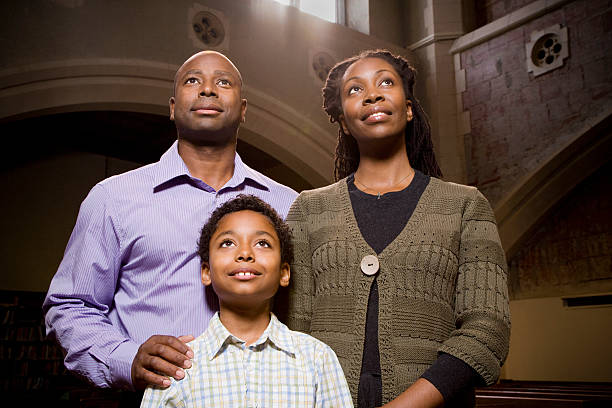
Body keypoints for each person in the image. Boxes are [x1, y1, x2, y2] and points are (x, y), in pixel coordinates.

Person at [43, 51, 298, 394]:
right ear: (173, 107)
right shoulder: (113, 198)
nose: (208, 90)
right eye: (193, 81)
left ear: (243, 110)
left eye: (223, 82)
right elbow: (70, 305)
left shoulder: (289, 204)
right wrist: (126, 358)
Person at [283, 49, 511, 407]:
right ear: (343, 121)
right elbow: (293, 328)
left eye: (385, 82)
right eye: (355, 90)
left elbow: (487, 329)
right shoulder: (308, 209)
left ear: (407, 109)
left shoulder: (466, 206)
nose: (372, 94)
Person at [140, 194, 353, 407]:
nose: (244, 253)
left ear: (284, 273)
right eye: (227, 243)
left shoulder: (317, 359)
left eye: (262, 243)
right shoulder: (178, 365)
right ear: (206, 272)